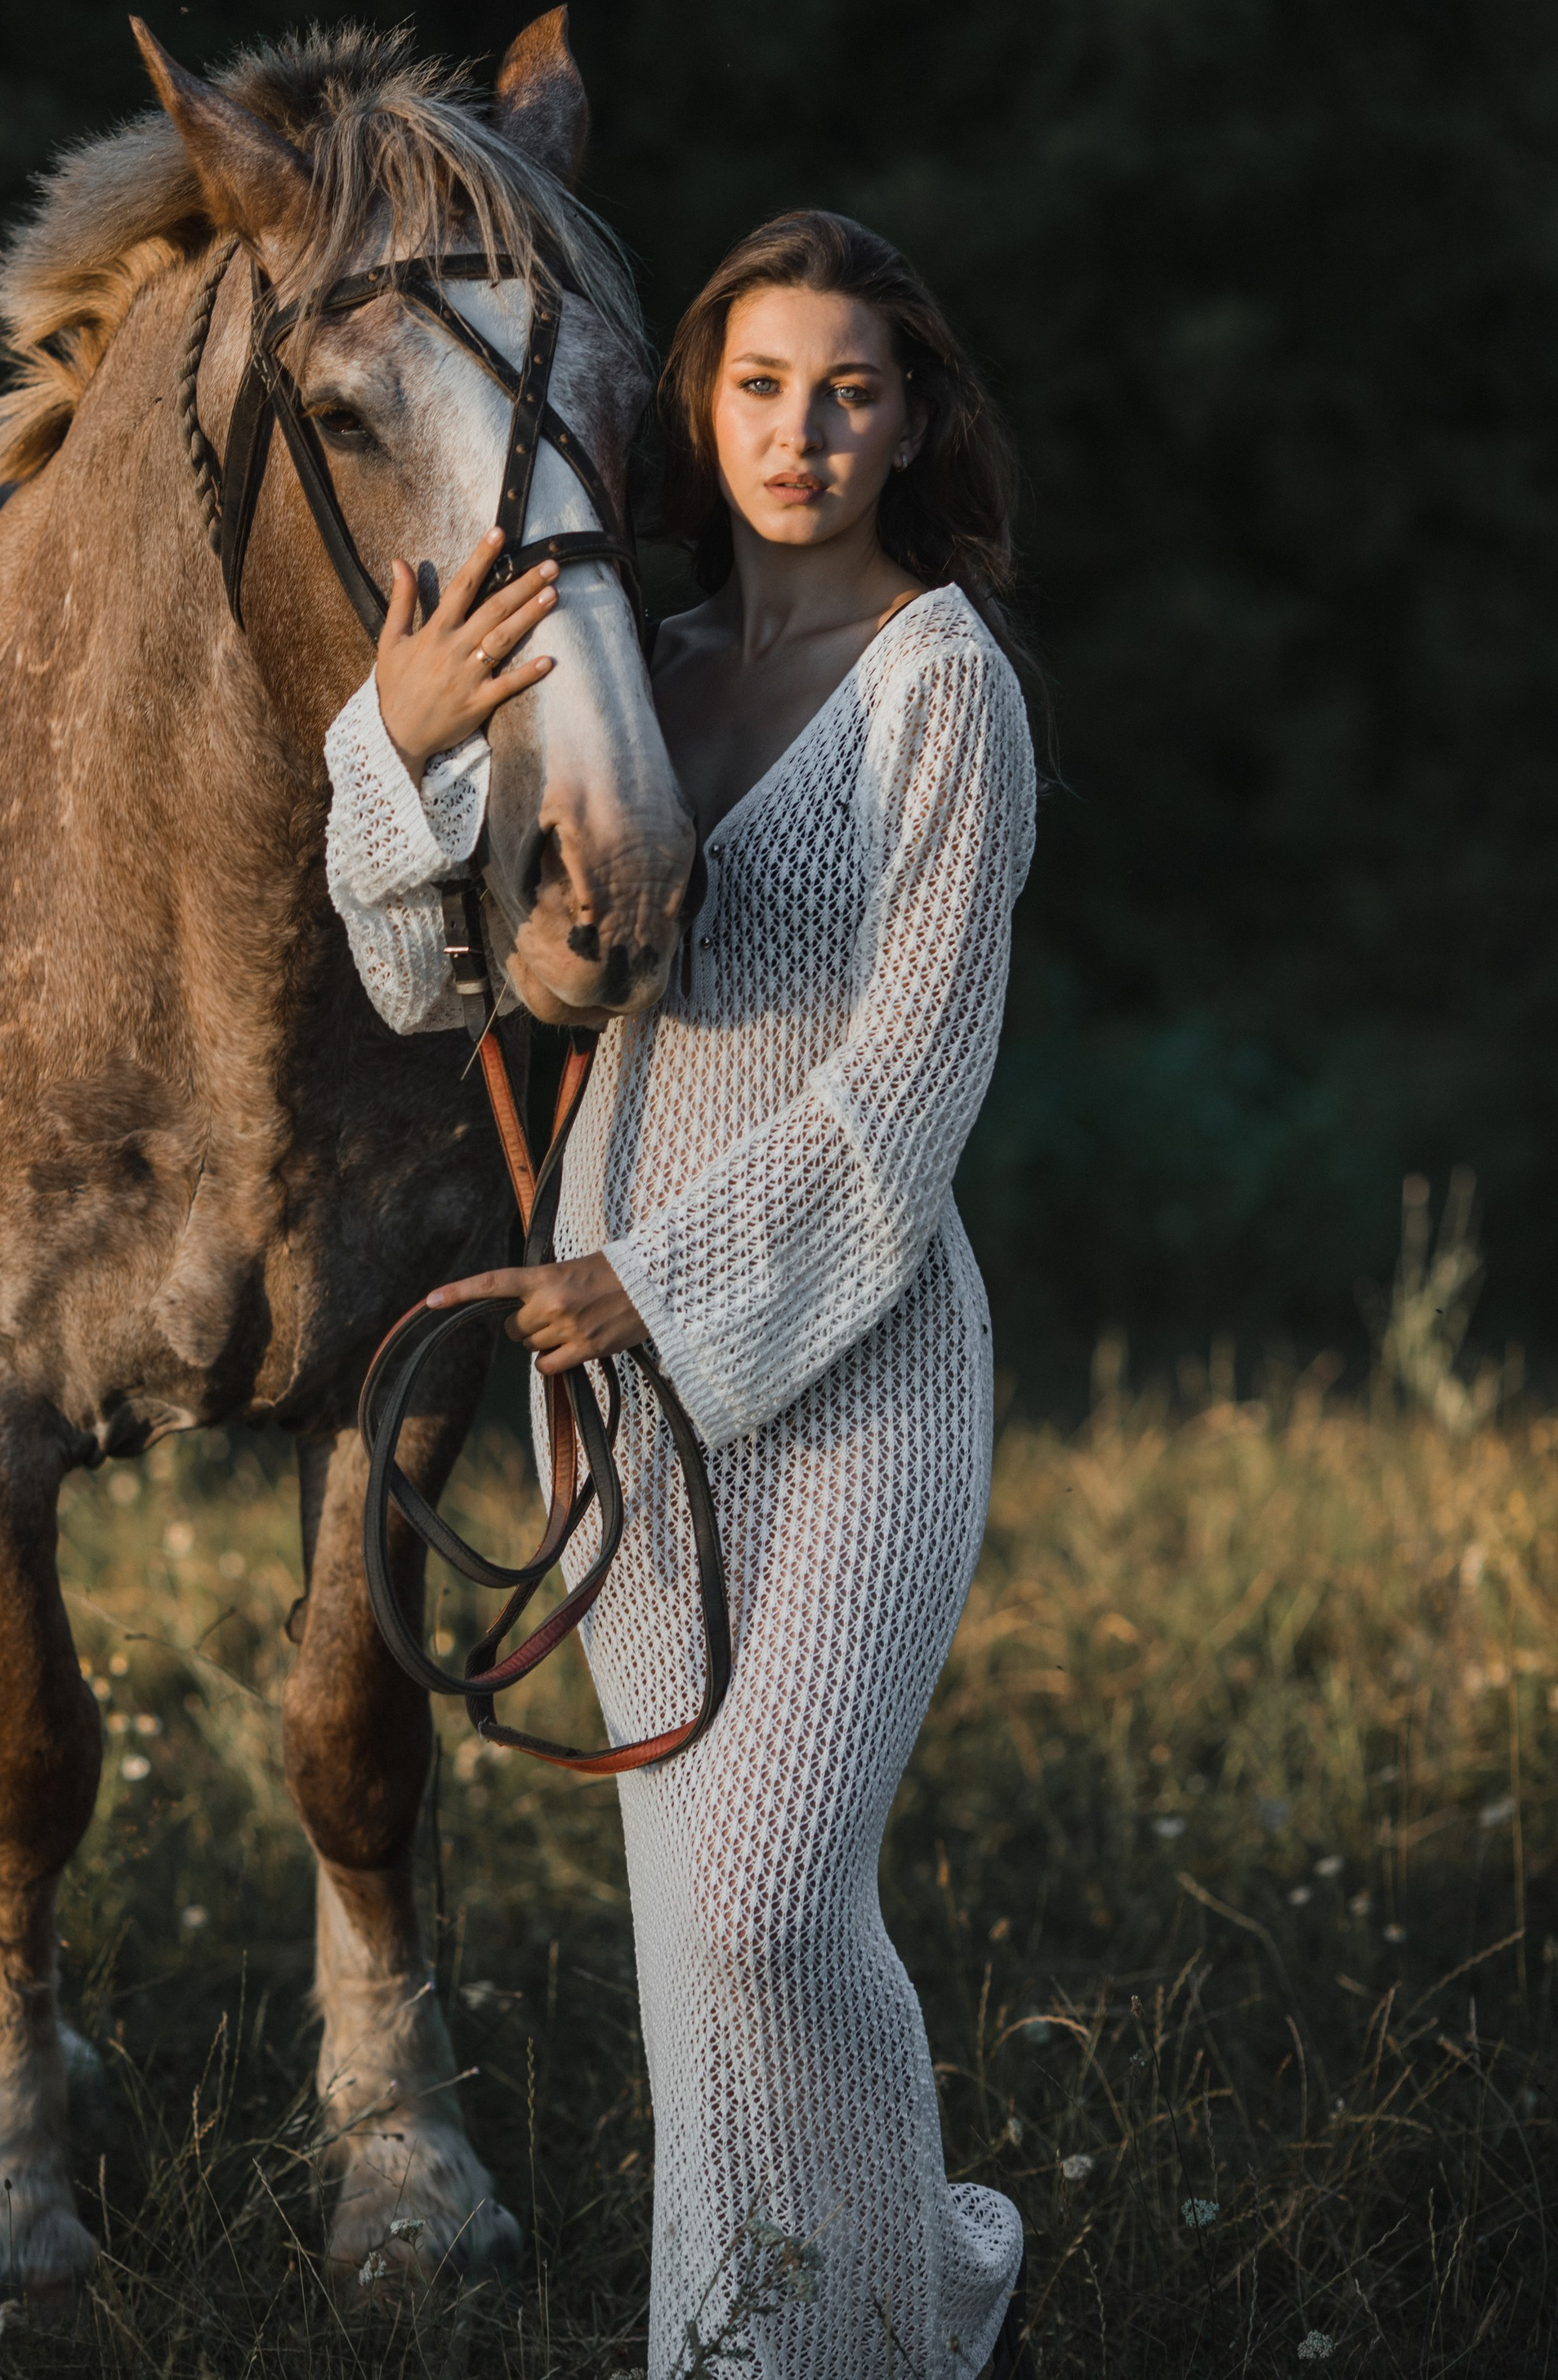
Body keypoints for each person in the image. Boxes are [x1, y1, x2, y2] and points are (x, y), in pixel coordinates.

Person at [322, 208, 1036, 2378]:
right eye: (756, 387)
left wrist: (654, 1283)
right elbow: (425, 978)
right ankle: (771, 2341)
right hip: (610, 1366)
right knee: (684, 1946)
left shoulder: (947, 685)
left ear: (912, 423)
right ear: (695, 413)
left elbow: (907, 1094)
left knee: (773, 1900)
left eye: (847, 391)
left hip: (845, 1348)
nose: (799, 431)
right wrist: (404, 745)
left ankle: (921, 2287)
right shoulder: (644, 670)